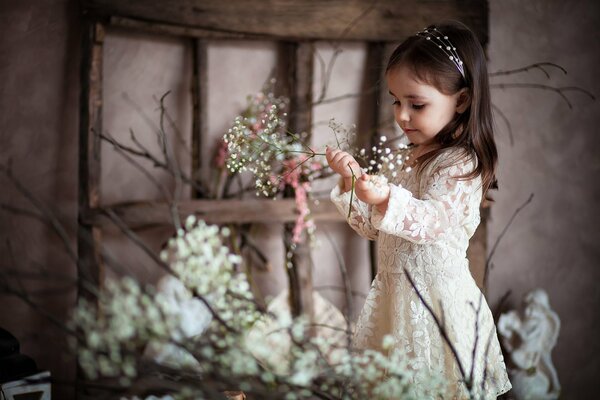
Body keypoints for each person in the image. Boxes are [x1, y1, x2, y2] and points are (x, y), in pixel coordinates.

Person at [326, 21, 512, 399]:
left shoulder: (460, 164)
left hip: (436, 310)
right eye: (396, 100)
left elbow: (430, 222)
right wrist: (351, 185)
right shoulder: (411, 161)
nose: (402, 115)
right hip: (397, 304)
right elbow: (376, 229)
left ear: (460, 100)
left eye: (417, 104)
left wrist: (383, 198)